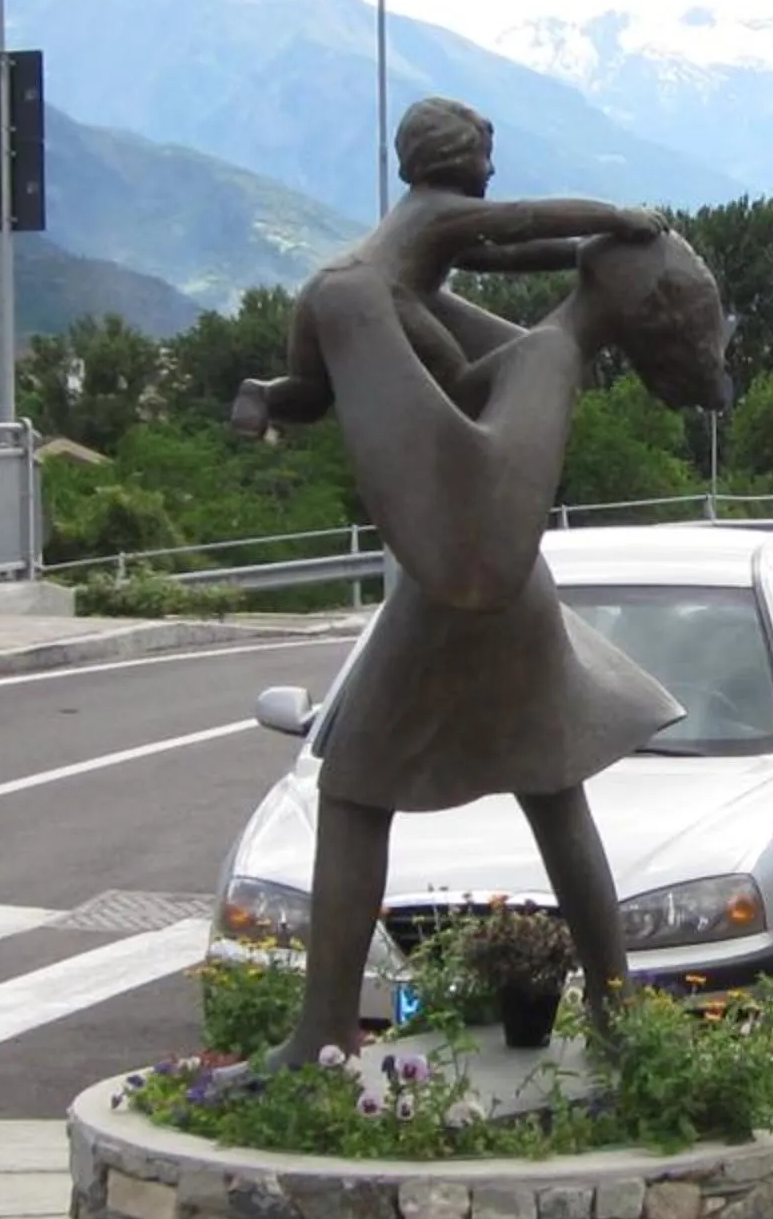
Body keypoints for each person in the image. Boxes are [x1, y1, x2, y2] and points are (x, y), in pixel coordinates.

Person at [238, 220, 732, 1070]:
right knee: (551, 789)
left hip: (466, 600)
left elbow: (500, 509)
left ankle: (324, 1030)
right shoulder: (534, 345)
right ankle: (616, 1016)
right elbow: (455, 344)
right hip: (500, 602)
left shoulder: (545, 355)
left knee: (357, 791)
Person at [230, 95, 669, 436]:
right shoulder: (442, 209)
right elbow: (525, 219)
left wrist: (577, 253)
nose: (492, 170)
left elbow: (500, 256)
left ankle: (262, 395)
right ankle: (466, 462)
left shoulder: (421, 218)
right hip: (378, 294)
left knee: (311, 394)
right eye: (485, 156)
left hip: (323, 288)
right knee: (458, 384)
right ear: (454, 155)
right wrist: (615, 217)